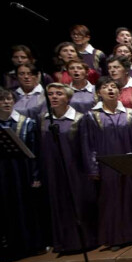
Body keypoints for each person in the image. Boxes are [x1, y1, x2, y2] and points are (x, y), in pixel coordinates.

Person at [82, 77, 132, 249]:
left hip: (130, 162)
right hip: (107, 166)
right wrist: (93, 169)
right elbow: (88, 144)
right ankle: (116, 238)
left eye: (114, 87)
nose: (110, 90)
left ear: (120, 92)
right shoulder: (92, 117)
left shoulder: (131, 114)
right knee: (112, 201)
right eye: (105, 87)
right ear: (98, 93)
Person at [40, 83, 99, 253]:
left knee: (79, 203)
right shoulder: (44, 120)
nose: (54, 97)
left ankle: (86, 240)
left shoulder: (79, 119)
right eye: (50, 94)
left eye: (59, 93)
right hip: (53, 170)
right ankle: (64, 242)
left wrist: (91, 170)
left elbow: (87, 147)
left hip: (76, 170)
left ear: (68, 97)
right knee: (59, 204)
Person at [0, 88, 45, 259]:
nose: (6, 102)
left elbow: (35, 152)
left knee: (27, 206)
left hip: (23, 172)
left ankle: (33, 243)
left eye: (9, 99)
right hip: (4, 173)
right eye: (2, 100)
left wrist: (36, 176)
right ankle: (13, 244)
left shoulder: (26, 123)